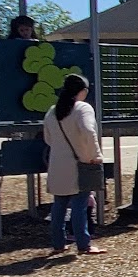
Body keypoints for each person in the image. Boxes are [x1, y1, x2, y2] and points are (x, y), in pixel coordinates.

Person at [41, 73, 103, 258]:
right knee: (79, 205)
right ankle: (84, 244)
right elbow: (88, 131)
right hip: (79, 163)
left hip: (57, 163)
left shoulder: (52, 111)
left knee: (59, 205)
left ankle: (58, 244)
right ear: (82, 91)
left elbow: (48, 138)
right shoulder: (82, 108)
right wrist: (95, 155)